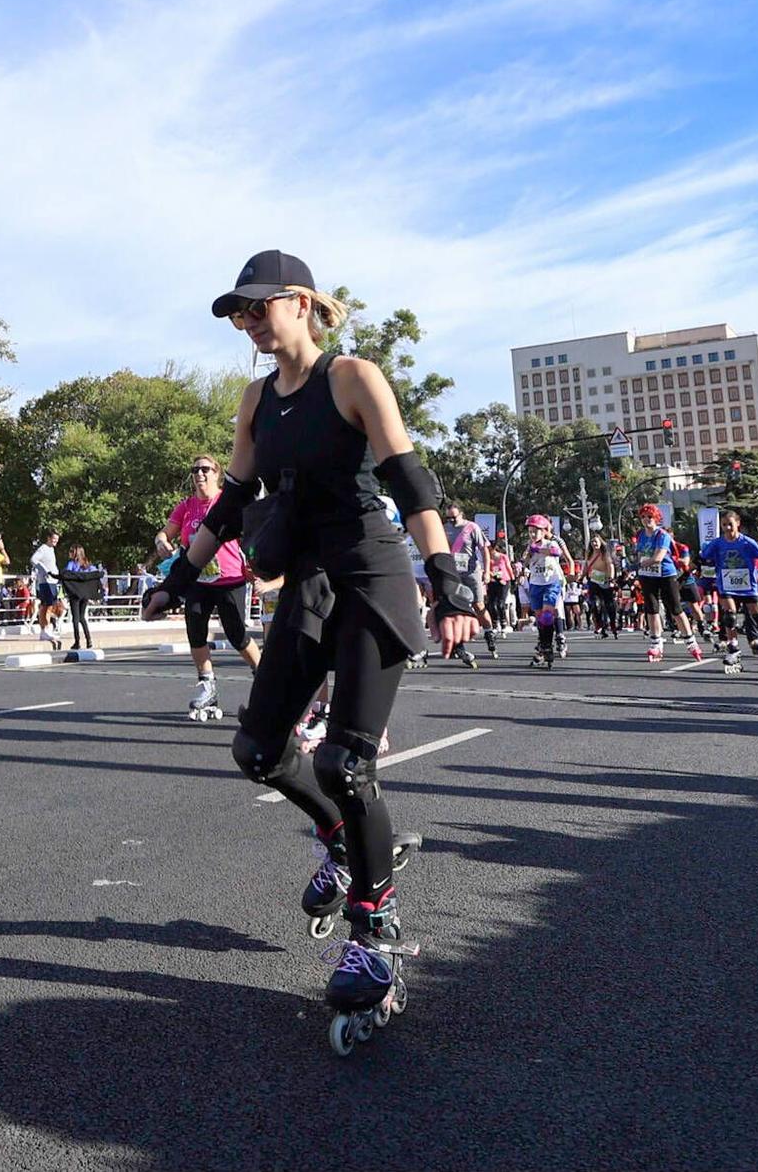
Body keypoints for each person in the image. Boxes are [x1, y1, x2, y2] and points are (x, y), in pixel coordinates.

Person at [144, 250, 478, 1055]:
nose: (249, 324)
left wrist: (448, 575)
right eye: (240, 314)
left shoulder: (352, 376)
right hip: (310, 585)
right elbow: (233, 499)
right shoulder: (256, 397)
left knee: (346, 763)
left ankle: (377, 923)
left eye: (260, 308)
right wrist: (179, 576)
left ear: (301, 302)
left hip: (373, 575)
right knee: (258, 749)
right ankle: (343, 837)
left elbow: (409, 478)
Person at [154, 454, 264, 721]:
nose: (200, 474)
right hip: (197, 580)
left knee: (237, 634)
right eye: (195, 470)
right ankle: (207, 686)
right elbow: (165, 533)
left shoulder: (227, 501)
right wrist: (161, 542)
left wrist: (255, 561)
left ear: (217, 473)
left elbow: (252, 531)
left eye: (205, 469)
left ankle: (264, 683)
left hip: (230, 579)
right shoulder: (186, 507)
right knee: (195, 631)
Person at [698, 510, 758, 672]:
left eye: (730, 524)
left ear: (738, 524)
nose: (728, 528)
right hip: (726, 585)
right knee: (729, 616)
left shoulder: (747, 542)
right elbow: (700, 559)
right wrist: (682, 576)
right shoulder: (717, 543)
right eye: (724, 525)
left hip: (747, 586)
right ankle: (733, 648)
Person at [632, 504, 704, 663]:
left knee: (675, 608)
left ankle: (691, 641)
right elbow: (639, 553)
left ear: (656, 518)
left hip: (665, 574)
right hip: (647, 575)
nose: (646, 520)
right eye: (643, 517)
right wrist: (637, 563)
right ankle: (656, 642)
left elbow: (658, 557)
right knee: (651, 608)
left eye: (649, 517)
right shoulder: (640, 534)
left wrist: (640, 564)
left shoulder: (662, 535)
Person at [519, 515, 573, 667]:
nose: (533, 535)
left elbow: (556, 552)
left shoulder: (550, 543)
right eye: (530, 532)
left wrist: (540, 549)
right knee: (540, 618)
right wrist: (525, 559)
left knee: (548, 614)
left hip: (551, 583)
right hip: (536, 584)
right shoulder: (529, 547)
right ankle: (543, 647)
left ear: (543, 532)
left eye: (536, 531)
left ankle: (548, 646)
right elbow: (525, 562)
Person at [441, 501, 491, 666]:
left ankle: (489, 633)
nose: (451, 521)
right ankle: (459, 646)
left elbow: (484, 549)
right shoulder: (444, 528)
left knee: (478, 605)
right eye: (448, 518)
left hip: (471, 572)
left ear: (461, 514)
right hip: (452, 573)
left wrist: (487, 571)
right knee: (454, 608)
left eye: (454, 518)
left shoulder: (472, 528)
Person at [60, 544, 104, 651]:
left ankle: (77, 641)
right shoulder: (87, 564)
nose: (69, 553)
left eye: (71, 551)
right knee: (82, 617)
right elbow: (95, 574)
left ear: (75, 553)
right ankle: (89, 640)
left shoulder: (71, 564)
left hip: (75, 594)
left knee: (75, 619)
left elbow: (65, 574)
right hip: (85, 594)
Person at [29, 529, 65, 649]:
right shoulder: (43, 548)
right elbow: (33, 560)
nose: (55, 541)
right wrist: (44, 570)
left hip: (52, 581)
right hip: (46, 582)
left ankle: (46, 629)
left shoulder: (51, 549)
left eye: (57, 540)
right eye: (54, 539)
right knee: (47, 606)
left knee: (50, 605)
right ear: (49, 538)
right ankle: (45, 629)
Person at [584, 537, 619, 638]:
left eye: (596, 541)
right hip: (593, 580)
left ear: (600, 542)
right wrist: (581, 576)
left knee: (608, 605)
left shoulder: (605, 553)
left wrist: (611, 579)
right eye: (592, 542)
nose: (594, 543)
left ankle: (612, 624)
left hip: (604, 580)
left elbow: (610, 566)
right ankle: (598, 624)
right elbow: (586, 566)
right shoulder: (589, 553)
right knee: (594, 603)